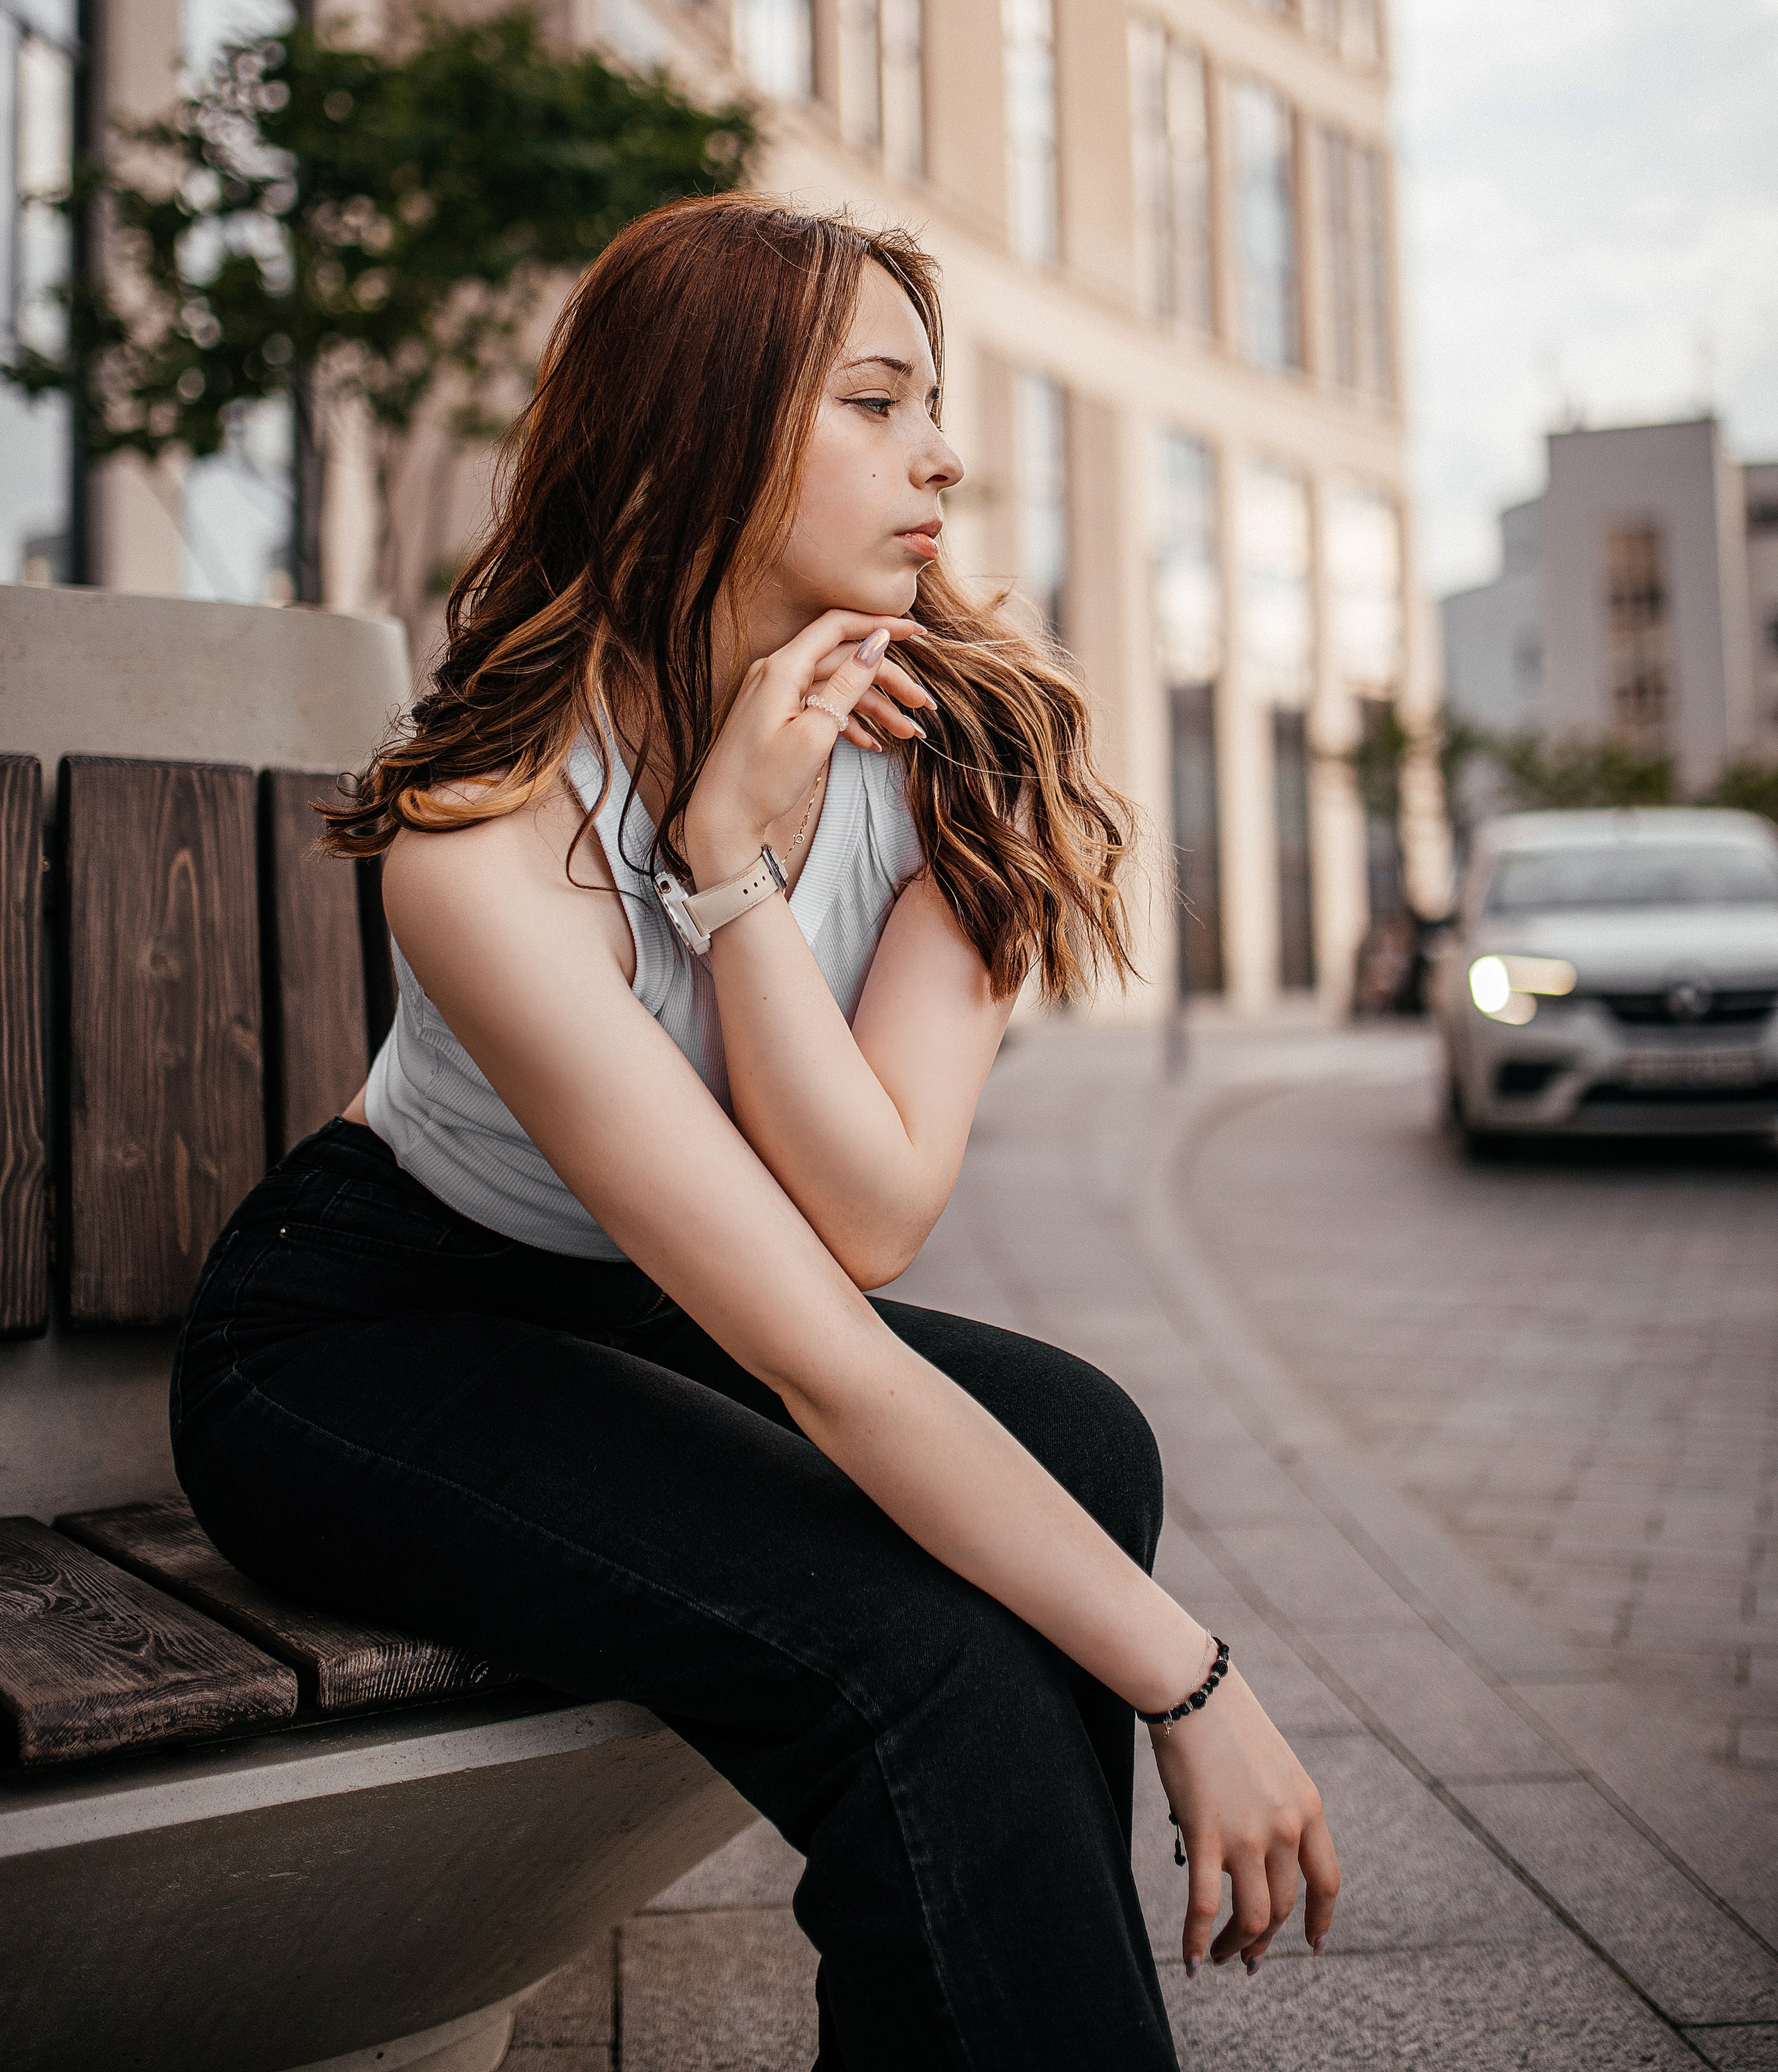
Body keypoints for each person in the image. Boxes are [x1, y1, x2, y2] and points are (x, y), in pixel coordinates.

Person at [172, 199, 1338, 2070]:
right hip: (366, 1341)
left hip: (664, 1312)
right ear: (695, 433)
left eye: (933, 402)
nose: (943, 452)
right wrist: (1188, 1673)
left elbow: (868, 1215)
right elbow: (821, 1346)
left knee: (1083, 1436)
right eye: (878, 403)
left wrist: (729, 872)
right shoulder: (493, 832)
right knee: (932, 1657)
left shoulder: (959, 757)